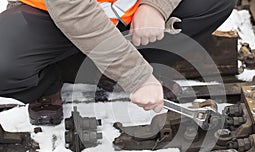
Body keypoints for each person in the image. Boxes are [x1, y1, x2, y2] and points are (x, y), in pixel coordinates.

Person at [0, 0, 236, 125]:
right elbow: (74, 12)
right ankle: (49, 82)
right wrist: (135, 75)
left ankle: (112, 72)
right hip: (49, 15)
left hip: (127, 11)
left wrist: (155, 6)